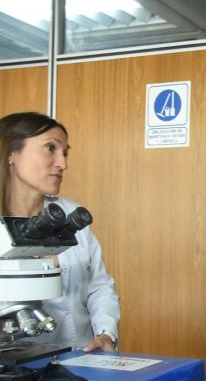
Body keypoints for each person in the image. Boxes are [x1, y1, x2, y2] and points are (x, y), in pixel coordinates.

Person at [0, 112, 119, 352]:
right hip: (17, 361)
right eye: (49, 149)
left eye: (64, 153)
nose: (62, 164)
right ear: (11, 153)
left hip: (83, 356)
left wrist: (106, 333)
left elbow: (99, 285)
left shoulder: (69, 212)